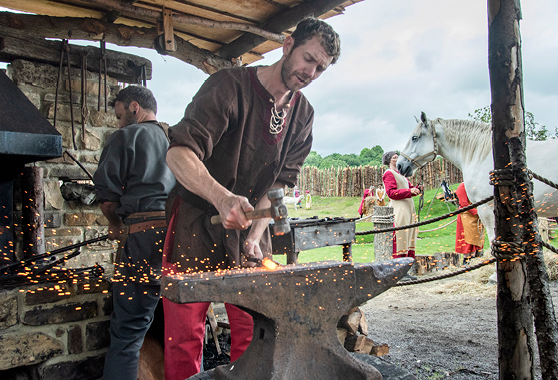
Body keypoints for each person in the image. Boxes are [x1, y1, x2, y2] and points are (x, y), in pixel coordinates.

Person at [162, 17, 340, 380]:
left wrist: (256, 235)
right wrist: (221, 197)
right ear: (288, 45)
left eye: (321, 68)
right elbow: (178, 154)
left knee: (257, 328)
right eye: (308, 59)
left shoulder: (303, 116)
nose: (311, 72)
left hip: (248, 231)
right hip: (195, 222)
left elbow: (279, 186)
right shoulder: (228, 87)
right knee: (184, 334)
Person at [94, 85, 175, 380]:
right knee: (182, 332)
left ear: (134, 108)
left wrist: (116, 227)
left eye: (118, 116)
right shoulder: (176, 141)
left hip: (141, 240)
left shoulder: (125, 137)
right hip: (178, 240)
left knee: (127, 334)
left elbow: (106, 200)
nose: (118, 123)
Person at [382, 151, 421, 279]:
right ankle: (397, 271)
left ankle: (405, 271)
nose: (397, 159)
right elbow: (391, 193)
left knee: (409, 236)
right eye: (394, 157)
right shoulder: (389, 174)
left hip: (408, 208)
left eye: (397, 157)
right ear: (389, 161)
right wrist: (409, 191)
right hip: (399, 209)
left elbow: (409, 189)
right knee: (400, 238)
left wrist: (417, 189)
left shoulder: (401, 175)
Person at [454, 182, 484, 264]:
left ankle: (476, 257)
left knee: (477, 236)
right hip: (466, 216)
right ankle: (467, 260)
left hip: (476, 216)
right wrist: (476, 212)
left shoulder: (476, 185)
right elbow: (464, 203)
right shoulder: (462, 187)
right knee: (467, 238)